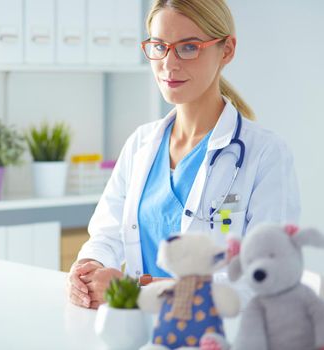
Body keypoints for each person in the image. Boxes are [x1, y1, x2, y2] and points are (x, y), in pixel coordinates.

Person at [66, 0, 300, 309]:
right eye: (159, 46)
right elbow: (107, 234)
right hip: (140, 333)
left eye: (188, 48)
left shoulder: (266, 154)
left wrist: (139, 292)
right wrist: (89, 268)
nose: (169, 64)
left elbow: (267, 277)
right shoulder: (141, 144)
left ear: (227, 50)